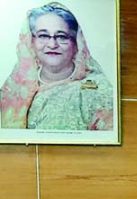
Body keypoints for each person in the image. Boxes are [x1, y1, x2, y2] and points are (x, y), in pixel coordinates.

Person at [1, 2, 114, 130]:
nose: (52, 44)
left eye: (61, 36)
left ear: (76, 42)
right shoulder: (14, 88)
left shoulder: (98, 91)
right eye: (43, 35)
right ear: (30, 41)